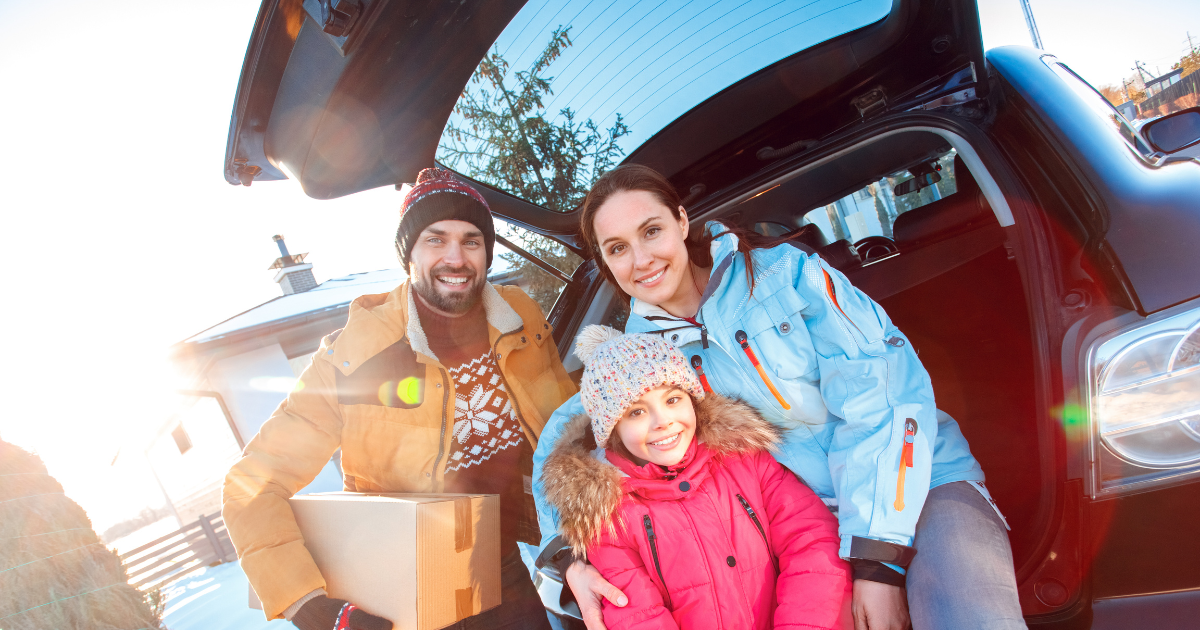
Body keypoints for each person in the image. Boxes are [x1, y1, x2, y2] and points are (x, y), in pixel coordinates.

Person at [532, 165, 1026, 630]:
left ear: (682, 221)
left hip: (919, 482)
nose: (641, 260)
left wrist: (877, 560)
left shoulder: (784, 276)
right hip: (802, 531)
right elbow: (564, 439)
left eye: (651, 231)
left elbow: (883, 390)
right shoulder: (638, 357)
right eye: (617, 248)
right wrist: (566, 552)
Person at [223, 167, 577, 630]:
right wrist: (309, 606)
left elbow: (571, 424)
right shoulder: (353, 354)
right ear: (407, 252)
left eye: (472, 240)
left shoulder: (520, 319)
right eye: (436, 239)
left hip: (513, 567)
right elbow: (251, 486)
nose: (456, 257)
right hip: (406, 590)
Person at [541, 325, 851, 629]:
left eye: (672, 399)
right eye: (636, 412)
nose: (663, 421)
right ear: (612, 432)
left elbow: (811, 542)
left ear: (692, 399)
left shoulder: (746, 461)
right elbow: (637, 616)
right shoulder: (610, 519)